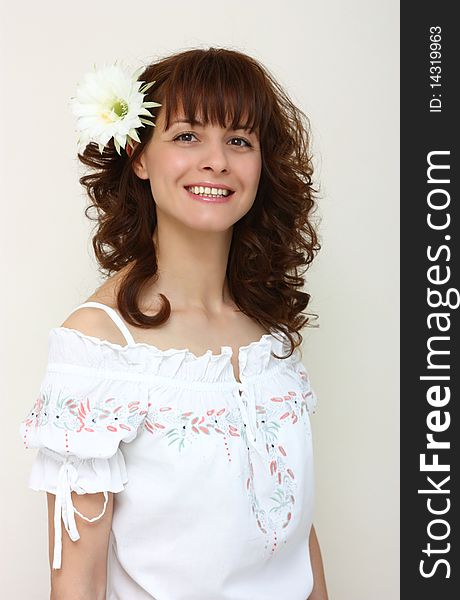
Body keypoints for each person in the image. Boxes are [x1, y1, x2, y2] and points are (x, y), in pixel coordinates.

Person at [19, 47, 328, 600]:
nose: (217, 160)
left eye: (240, 140)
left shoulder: (270, 334)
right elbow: (77, 582)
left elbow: (296, 536)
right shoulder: (98, 347)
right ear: (138, 156)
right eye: (187, 135)